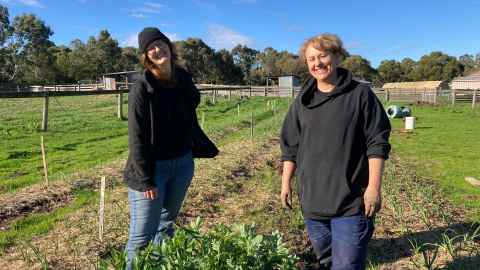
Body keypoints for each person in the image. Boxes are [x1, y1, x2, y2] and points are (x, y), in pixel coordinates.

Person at [280, 33, 391, 270]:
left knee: (348, 265)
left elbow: (377, 143)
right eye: (311, 59)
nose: (317, 63)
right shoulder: (303, 100)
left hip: (351, 201)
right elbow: (290, 145)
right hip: (312, 200)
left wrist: (373, 188)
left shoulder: (360, 95)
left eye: (323, 56)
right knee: (326, 261)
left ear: (337, 56)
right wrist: (286, 184)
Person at [123, 27, 200, 268]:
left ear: (169, 45)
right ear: (146, 55)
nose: (157, 49)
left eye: (161, 43)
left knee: (166, 226)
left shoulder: (181, 78)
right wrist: (146, 180)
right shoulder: (142, 86)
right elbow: (137, 137)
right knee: (141, 237)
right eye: (151, 48)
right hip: (153, 170)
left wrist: (179, 74)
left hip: (183, 164)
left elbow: (194, 102)